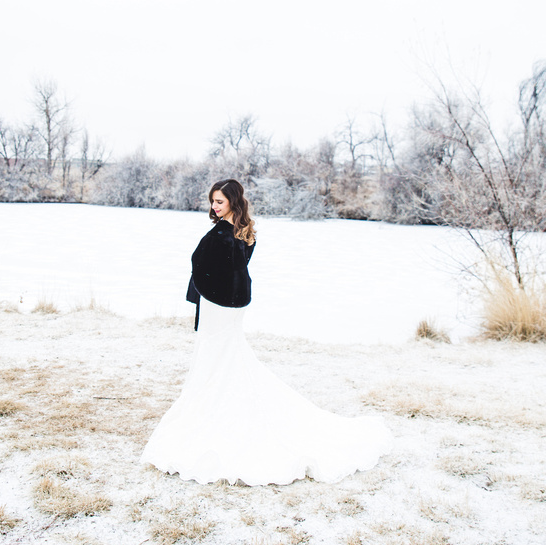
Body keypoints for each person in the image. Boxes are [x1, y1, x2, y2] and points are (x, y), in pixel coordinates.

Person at [140, 179, 394, 486]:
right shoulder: (245, 231)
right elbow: (238, 268)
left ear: (233, 201)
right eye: (212, 202)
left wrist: (209, 292)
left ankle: (216, 413)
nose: (213, 207)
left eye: (219, 201)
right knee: (229, 356)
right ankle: (224, 404)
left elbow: (198, 264)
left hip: (219, 307)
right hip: (234, 305)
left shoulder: (221, 233)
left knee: (216, 357)